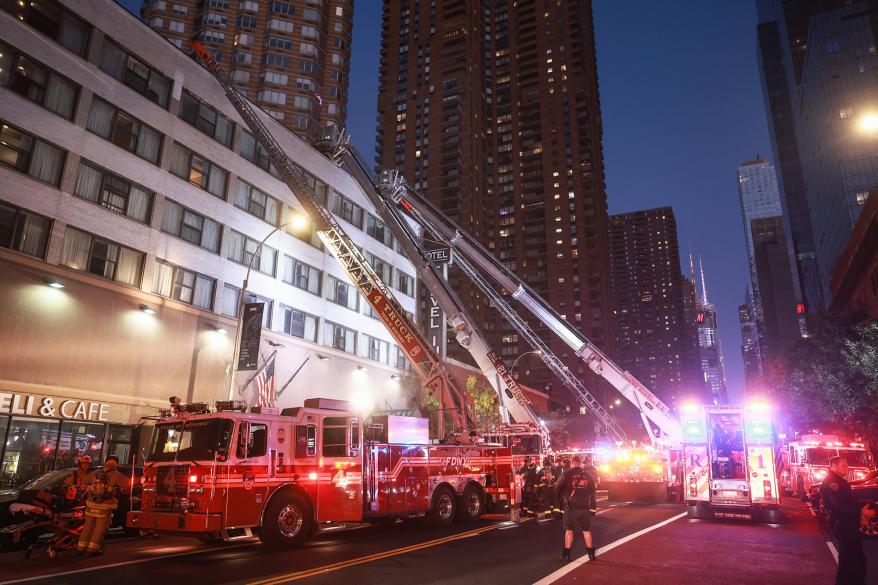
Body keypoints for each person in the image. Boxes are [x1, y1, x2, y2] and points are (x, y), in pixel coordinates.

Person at [820, 456, 876, 585]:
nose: (847, 468)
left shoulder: (839, 481)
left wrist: (860, 509)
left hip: (847, 524)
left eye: (847, 465)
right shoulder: (832, 483)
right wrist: (861, 510)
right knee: (849, 559)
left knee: (855, 558)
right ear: (834, 466)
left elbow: (848, 502)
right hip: (843, 525)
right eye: (843, 465)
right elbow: (841, 506)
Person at [556, 455, 597, 562]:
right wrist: (593, 507)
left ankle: (566, 555)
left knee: (569, 531)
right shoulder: (588, 475)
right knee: (586, 530)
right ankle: (591, 554)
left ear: (572, 462)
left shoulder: (566, 474)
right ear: (580, 463)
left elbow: (557, 488)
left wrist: (563, 497)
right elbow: (592, 492)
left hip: (570, 507)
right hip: (584, 506)